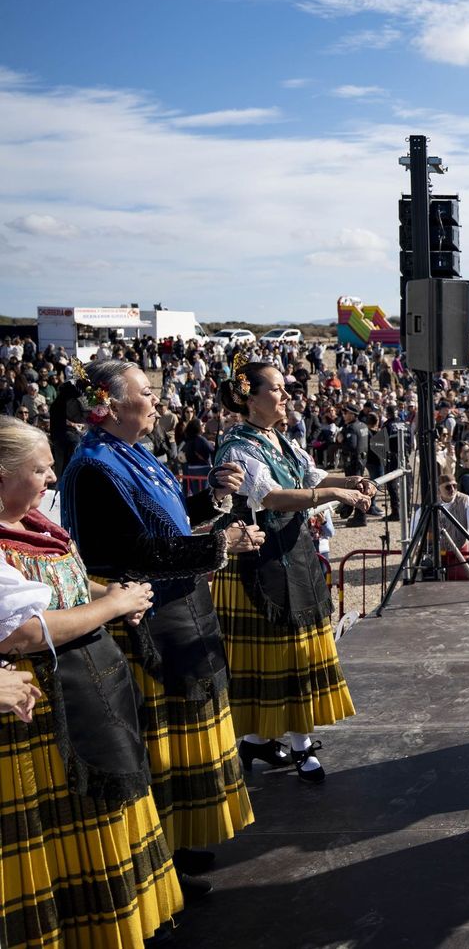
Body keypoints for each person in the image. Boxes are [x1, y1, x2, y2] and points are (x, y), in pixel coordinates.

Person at [59, 359, 265, 889]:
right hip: (147, 620)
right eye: (146, 393)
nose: (157, 403)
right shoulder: (95, 467)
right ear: (110, 406)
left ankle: (176, 843)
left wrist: (211, 499)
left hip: (180, 609)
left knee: (180, 738)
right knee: (161, 743)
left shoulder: (131, 453)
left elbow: (166, 519)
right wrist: (222, 544)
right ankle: (162, 861)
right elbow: (136, 549)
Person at [0, 419, 184, 946]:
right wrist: (112, 605)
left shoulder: (33, 524)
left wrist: (108, 591)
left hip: (90, 683)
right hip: (48, 704)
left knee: (110, 798)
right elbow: (25, 631)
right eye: (39, 470)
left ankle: (127, 913)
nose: (52, 478)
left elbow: (62, 587)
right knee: (73, 822)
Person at [211, 362, 368, 782]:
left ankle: (260, 742)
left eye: (284, 388)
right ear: (250, 397)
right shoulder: (237, 446)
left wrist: (349, 479)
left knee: (296, 650)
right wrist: (333, 492)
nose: (285, 396)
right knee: (283, 654)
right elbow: (274, 497)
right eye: (277, 389)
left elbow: (311, 476)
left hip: (292, 553)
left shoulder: (279, 439)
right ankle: (298, 744)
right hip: (257, 562)